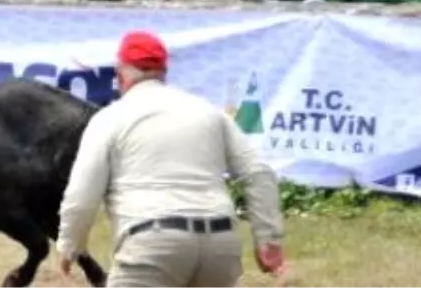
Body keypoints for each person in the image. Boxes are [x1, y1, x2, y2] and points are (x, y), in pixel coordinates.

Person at [56, 31, 287, 288]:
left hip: (151, 239)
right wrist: (268, 239)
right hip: (219, 243)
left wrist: (70, 244)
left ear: (120, 74)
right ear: (163, 72)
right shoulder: (209, 112)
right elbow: (259, 172)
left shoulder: (109, 119)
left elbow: (82, 195)